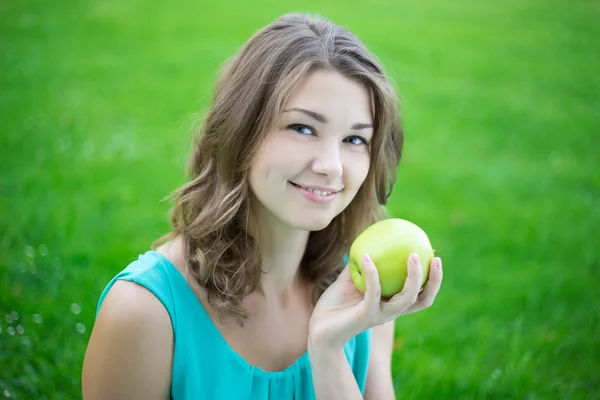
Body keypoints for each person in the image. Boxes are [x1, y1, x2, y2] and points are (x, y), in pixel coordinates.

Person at [81, 12, 443, 400]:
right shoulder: (144, 314)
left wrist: (328, 351)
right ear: (241, 131)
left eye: (355, 139)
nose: (331, 166)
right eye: (303, 128)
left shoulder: (363, 294)